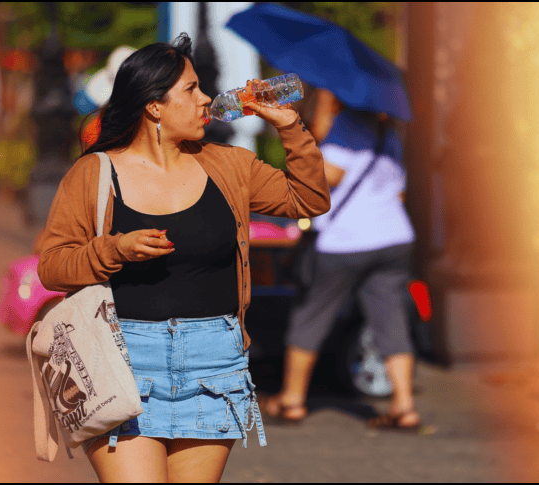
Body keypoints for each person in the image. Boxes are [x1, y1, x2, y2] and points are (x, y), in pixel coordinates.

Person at [36, 34, 330, 483]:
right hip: (124, 363)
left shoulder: (229, 165)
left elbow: (308, 199)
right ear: (154, 105)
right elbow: (53, 265)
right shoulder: (94, 173)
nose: (207, 98)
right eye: (192, 89)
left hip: (215, 365)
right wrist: (115, 249)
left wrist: (289, 126)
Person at [262, 88, 421, 430]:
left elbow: (326, 177)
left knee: (312, 315)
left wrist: (310, 139)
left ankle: (291, 400)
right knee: (390, 319)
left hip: (347, 241)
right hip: (394, 237)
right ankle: (405, 406)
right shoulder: (387, 133)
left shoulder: (346, 128)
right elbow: (399, 190)